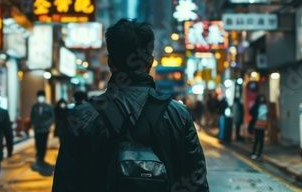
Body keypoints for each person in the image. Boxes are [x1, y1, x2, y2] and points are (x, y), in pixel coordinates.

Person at [52, 18, 208, 191]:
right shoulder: (179, 115)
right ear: (150, 62)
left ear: (110, 62)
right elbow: (197, 184)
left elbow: (64, 185)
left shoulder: (81, 117)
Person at [30, 90, 54, 165]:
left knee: (43, 143)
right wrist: (33, 123)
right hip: (37, 128)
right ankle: (39, 156)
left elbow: (52, 117)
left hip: (45, 129)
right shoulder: (34, 106)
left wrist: (47, 124)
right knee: (37, 143)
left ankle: (42, 157)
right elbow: (32, 116)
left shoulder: (48, 106)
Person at [250, 94, 268, 159]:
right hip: (257, 125)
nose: (262, 99)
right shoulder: (256, 105)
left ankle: (259, 154)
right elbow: (251, 112)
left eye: (263, 98)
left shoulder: (265, 106)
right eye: (261, 98)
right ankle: (254, 153)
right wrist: (256, 116)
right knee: (256, 140)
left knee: (261, 140)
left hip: (263, 125)